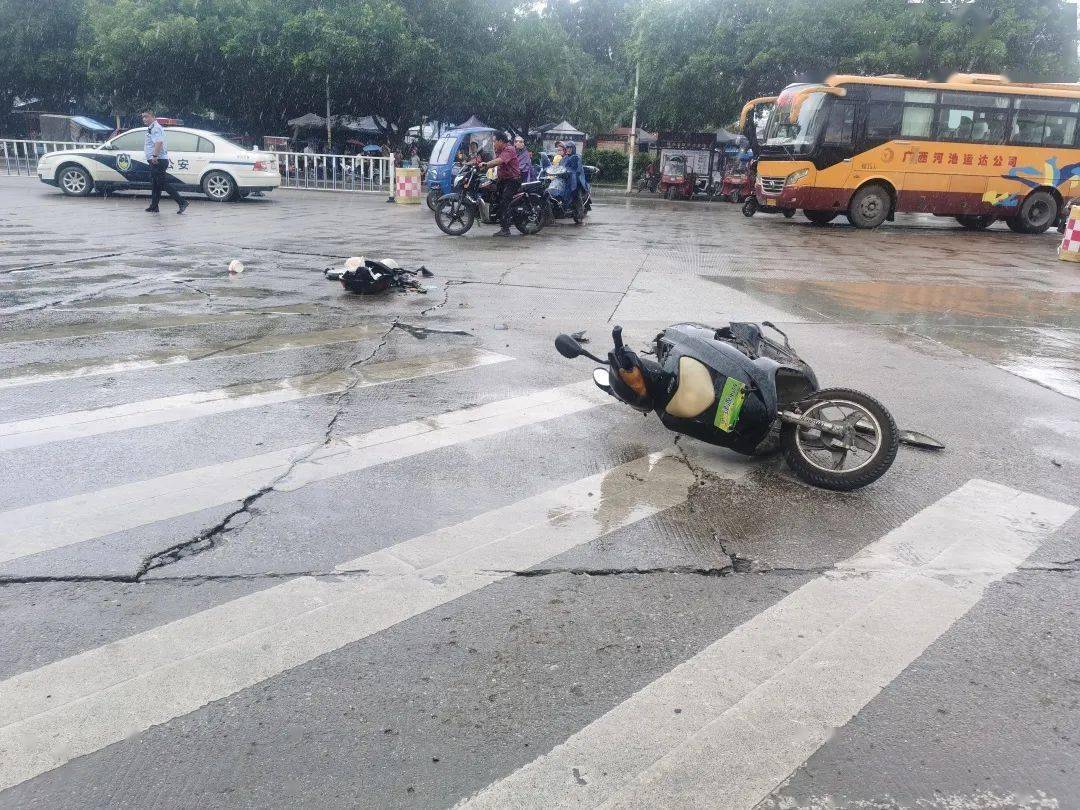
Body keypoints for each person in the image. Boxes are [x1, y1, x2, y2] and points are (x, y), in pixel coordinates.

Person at [141, 109, 187, 214]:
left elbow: (159, 142)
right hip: (156, 160)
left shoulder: (156, 128)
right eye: (143, 117)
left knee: (162, 184)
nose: (144, 119)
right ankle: (154, 206)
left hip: (158, 160)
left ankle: (182, 202)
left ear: (153, 117)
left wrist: (155, 156)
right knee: (155, 184)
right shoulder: (152, 127)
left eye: (147, 116)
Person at [482, 132, 522, 237]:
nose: (493, 143)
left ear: (500, 141)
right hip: (503, 179)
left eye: (495, 141)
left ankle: (506, 229)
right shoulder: (499, 150)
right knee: (493, 196)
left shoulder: (509, 149)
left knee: (504, 201)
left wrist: (486, 165)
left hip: (513, 180)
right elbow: (492, 159)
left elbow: (499, 161)